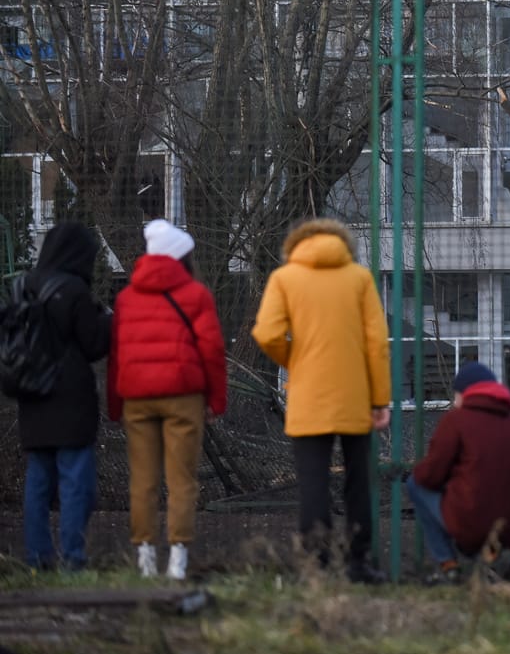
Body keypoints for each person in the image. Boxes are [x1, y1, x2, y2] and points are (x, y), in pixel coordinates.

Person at [252, 218, 392, 584]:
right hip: (355, 395)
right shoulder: (359, 279)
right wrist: (379, 399)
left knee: (313, 481)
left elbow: (267, 333)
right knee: (358, 481)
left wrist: (294, 359)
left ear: (297, 244)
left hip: (308, 394)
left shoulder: (285, 278)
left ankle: (317, 563)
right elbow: (377, 344)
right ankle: (358, 563)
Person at [109, 219, 227, 581]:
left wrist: (115, 404)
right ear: (181, 257)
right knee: (181, 479)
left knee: (142, 479)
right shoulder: (196, 295)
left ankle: (145, 558)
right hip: (183, 396)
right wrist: (215, 400)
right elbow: (212, 351)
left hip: (137, 398)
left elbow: (116, 355)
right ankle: (177, 560)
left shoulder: (126, 298)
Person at [17, 222, 113, 571]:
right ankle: (72, 557)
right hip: (70, 402)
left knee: (38, 482)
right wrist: (108, 321)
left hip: (32, 395)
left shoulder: (24, 286)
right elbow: (93, 344)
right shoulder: (74, 290)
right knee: (75, 483)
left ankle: (37, 558)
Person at [406, 361, 510, 585]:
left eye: (456, 395)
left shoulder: (457, 421)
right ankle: (493, 557)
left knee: (415, 484)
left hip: (471, 520)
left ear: (465, 393)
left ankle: (448, 566)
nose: (455, 402)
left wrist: (419, 472)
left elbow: (430, 476)